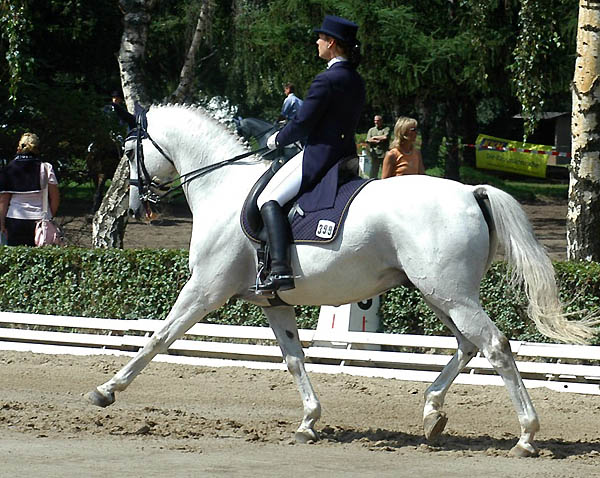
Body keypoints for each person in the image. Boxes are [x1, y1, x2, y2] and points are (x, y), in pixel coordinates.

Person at [255, 15, 365, 293]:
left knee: (268, 198)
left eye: (320, 38)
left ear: (331, 43)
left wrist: (276, 139)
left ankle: (280, 269)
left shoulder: (326, 80)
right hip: (346, 155)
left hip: (320, 155)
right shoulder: (355, 79)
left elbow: (303, 122)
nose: (316, 42)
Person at [0, 133, 60, 246]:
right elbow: (55, 198)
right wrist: (49, 215)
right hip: (41, 220)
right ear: (37, 148)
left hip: (14, 219)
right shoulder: (46, 168)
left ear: (19, 147)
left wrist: (2, 224)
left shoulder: (9, 169)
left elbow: (3, 200)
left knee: (17, 259)